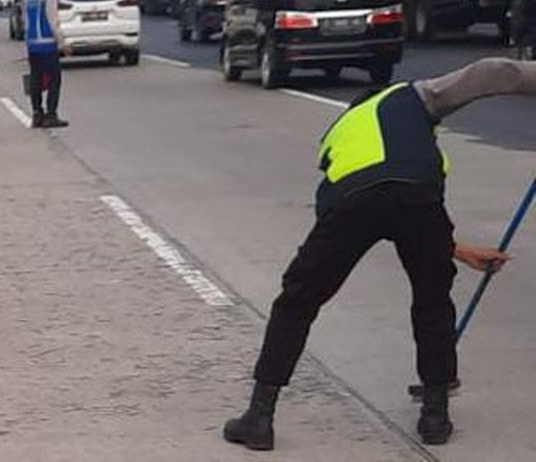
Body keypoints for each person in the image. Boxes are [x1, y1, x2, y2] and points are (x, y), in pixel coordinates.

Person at [223, 58, 536, 451]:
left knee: (298, 300)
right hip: (419, 199)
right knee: (432, 299)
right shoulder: (412, 97)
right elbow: (494, 72)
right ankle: (435, 417)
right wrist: (444, 252)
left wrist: (460, 251)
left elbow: (359, 206)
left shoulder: (338, 137)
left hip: (351, 202)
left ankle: (259, 418)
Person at [23, 0, 69, 128]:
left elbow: (26, 23)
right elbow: (53, 23)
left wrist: (27, 43)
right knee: (54, 80)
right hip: (48, 46)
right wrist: (63, 44)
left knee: (36, 80)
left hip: (33, 46)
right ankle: (51, 114)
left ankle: (37, 113)